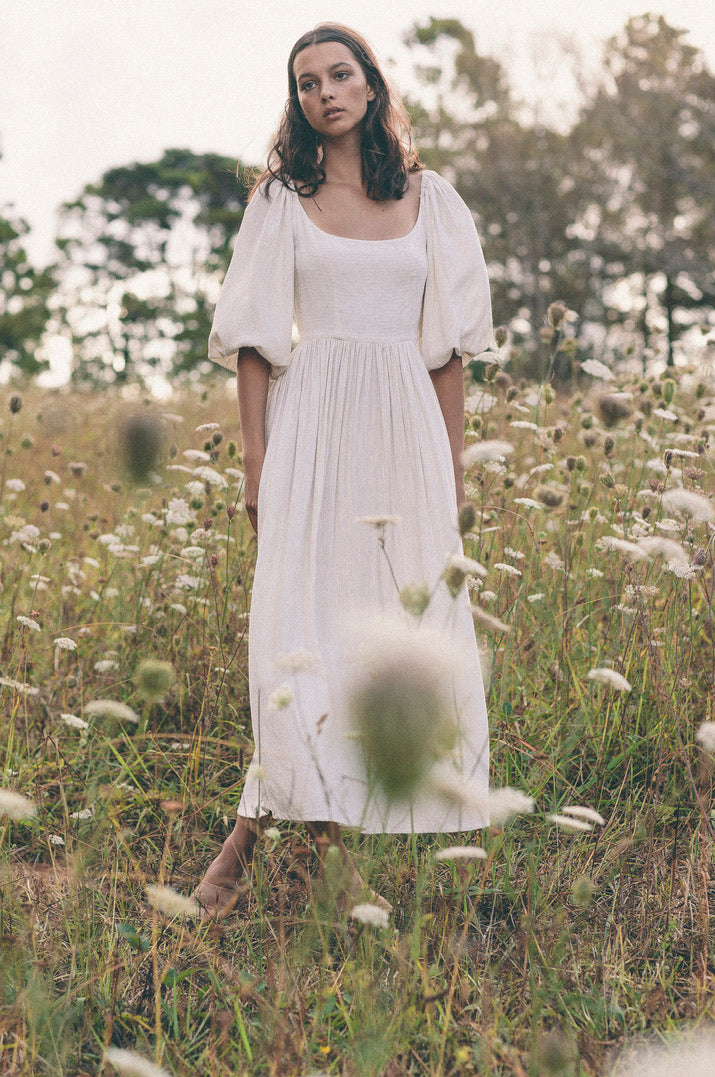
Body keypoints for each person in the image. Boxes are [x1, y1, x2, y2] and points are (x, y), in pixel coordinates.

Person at [195, 23, 492, 919]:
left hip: (401, 432)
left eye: (340, 74)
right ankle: (318, 857)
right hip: (313, 427)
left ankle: (249, 839)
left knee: (381, 639)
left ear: (370, 86)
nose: (325, 91)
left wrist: (452, 476)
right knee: (300, 633)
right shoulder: (282, 200)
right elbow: (253, 341)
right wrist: (256, 464)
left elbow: (446, 357)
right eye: (307, 82)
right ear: (299, 102)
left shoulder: (431, 202)